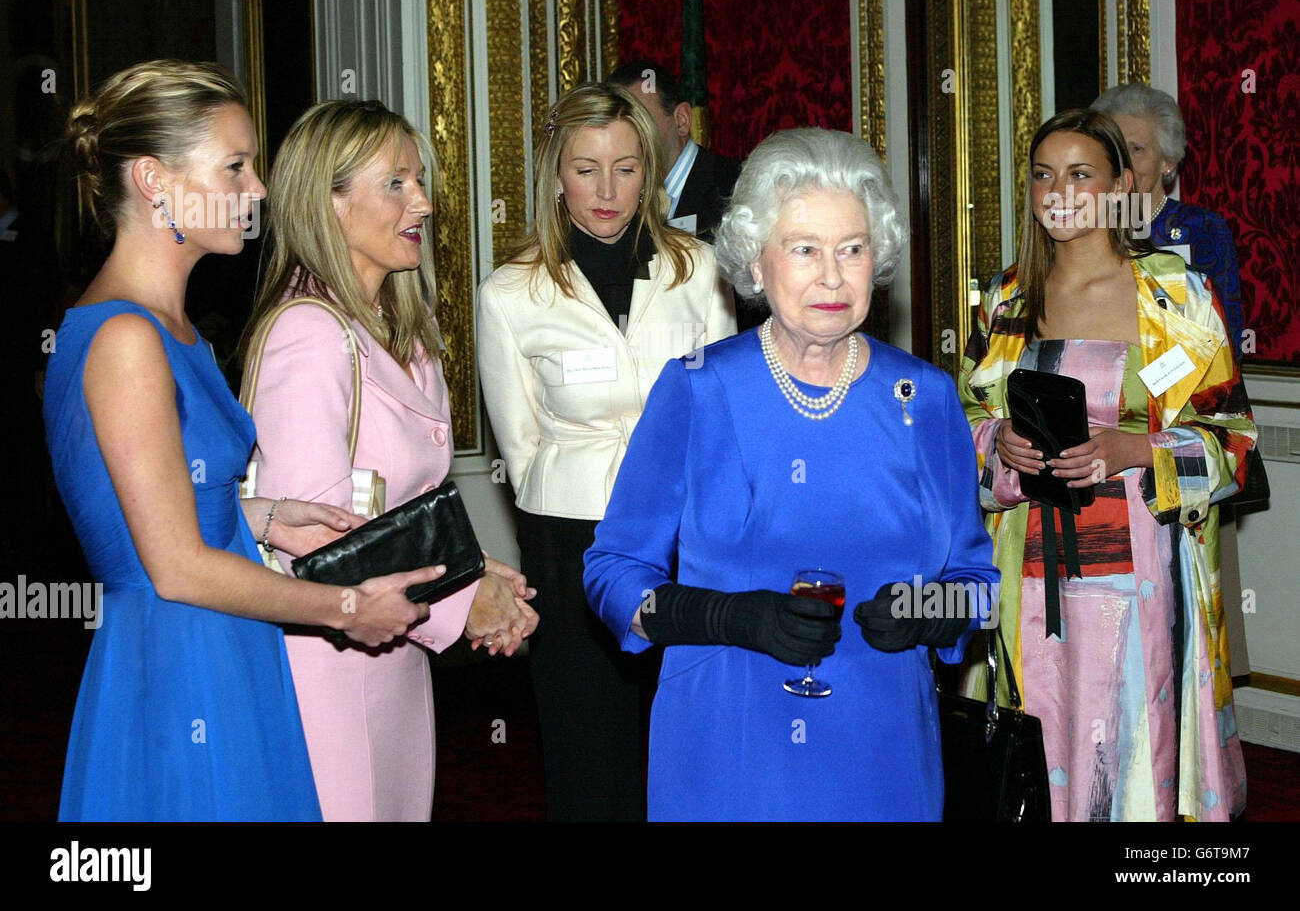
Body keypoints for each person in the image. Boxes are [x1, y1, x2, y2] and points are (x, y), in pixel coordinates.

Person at [47, 60, 443, 821]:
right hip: (182, 659)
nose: (258, 190)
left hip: (220, 646)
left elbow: (155, 504)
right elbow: (174, 567)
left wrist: (261, 516)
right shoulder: (126, 336)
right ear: (155, 180)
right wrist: (345, 605)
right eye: (235, 166)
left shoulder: (171, 329)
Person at [583, 127, 999, 821]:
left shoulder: (923, 399)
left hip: (881, 746)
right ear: (755, 262)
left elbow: (977, 589)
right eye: (804, 249)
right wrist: (723, 615)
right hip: (726, 742)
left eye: (853, 250)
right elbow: (613, 574)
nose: (832, 276)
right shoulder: (697, 390)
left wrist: (922, 614)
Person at [243, 99, 538, 822]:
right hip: (331, 668)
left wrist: (476, 572)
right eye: (397, 184)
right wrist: (463, 604)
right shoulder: (310, 336)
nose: (426, 203)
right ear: (330, 202)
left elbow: (412, 504)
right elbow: (314, 539)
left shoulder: (402, 330)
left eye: (420, 181)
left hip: (392, 652)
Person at [957, 108, 1255, 821]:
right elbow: (959, 428)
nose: (1059, 190)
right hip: (1025, 579)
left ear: (1121, 184)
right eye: (1043, 174)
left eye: (1082, 174)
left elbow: (1234, 444)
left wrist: (1137, 451)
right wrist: (996, 444)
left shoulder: (1176, 297)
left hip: (1145, 579)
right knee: (1035, 749)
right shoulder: (1003, 301)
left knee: (1131, 757)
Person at [476, 81, 736, 820]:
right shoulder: (510, 293)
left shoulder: (701, 270)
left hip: (683, 535)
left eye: (626, 167)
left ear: (648, 172)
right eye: (586, 168)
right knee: (587, 747)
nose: (607, 188)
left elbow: (721, 417)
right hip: (571, 544)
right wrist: (576, 506)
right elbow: (520, 451)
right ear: (556, 175)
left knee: (682, 736)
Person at [1091, 82, 1245, 357]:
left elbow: (1222, 338)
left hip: (1182, 391)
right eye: (1114, 149)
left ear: (1168, 162)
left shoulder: (1201, 230)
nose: (1124, 161)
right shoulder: (1084, 228)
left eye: (1136, 149)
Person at [606, 61, 741, 243]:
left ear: (681, 120)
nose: (626, 137)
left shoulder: (737, 190)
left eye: (641, 121)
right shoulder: (610, 196)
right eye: (618, 126)